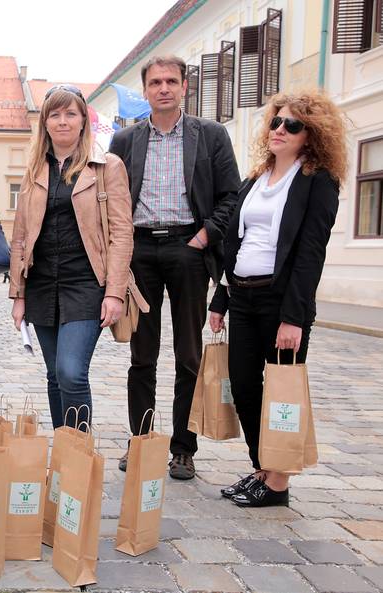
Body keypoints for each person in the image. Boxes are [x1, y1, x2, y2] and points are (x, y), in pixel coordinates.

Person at [208, 91, 345, 507]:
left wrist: (294, 318)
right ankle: (261, 469)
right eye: (276, 122)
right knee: (245, 388)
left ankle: (279, 482)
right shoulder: (255, 178)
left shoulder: (317, 181)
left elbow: (310, 254)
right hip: (244, 298)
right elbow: (236, 243)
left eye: (292, 125)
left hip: (281, 301)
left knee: (280, 393)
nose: (280, 130)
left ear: (312, 135)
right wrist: (220, 300)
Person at [108, 55, 240, 480]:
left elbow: (231, 197)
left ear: (184, 86)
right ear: (145, 90)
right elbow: (110, 200)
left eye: (171, 81)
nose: (163, 88)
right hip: (140, 252)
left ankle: (184, 448)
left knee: (188, 354)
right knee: (141, 355)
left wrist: (204, 236)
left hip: (188, 249)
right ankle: (142, 442)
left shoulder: (211, 135)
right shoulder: (125, 141)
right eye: (155, 82)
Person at [9, 85, 133, 429]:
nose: (62, 121)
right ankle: (66, 460)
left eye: (70, 114)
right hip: (42, 285)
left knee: (71, 372)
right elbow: (20, 237)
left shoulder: (107, 166)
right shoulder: (35, 170)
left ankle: (77, 455)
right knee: (54, 375)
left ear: (83, 121)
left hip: (87, 284)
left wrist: (115, 292)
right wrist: (18, 294)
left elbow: (122, 233)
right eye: (55, 114)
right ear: (45, 122)